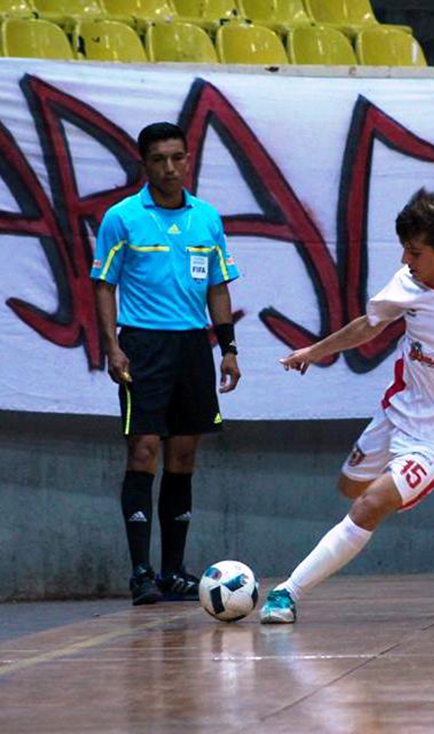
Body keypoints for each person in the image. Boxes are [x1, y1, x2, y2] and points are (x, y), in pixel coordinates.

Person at [259, 189, 434, 624]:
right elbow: (367, 325)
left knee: (368, 505)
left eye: (414, 252)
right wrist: (314, 351)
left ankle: (286, 593)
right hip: (395, 415)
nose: (404, 261)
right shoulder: (407, 285)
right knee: (349, 487)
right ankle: (391, 491)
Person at [92, 122, 241, 606]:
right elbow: (104, 284)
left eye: (178, 158)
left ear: (189, 159)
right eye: (159, 160)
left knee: (183, 456)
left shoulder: (207, 219)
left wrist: (229, 349)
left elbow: (218, 285)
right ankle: (141, 572)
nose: (170, 168)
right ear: (145, 164)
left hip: (192, 349)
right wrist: (113, 346)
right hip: (144, 347)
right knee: (144, 451)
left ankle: (174, 571)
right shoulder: (122, 217)